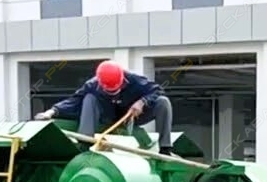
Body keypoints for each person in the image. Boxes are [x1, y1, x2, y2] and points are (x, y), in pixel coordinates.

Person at [35, 60, 175, 155]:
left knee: (163, 102)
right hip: (107, 117)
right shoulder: (92, 84)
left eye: (116, 90)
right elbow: (74, 101)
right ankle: (85, 143)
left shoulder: (134, 79)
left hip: (131, 116)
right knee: (89, 98)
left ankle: (165, 148)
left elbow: (157, 90)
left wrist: (142, 102)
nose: (113, 93)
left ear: (122, 80)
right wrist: (51, 112)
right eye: (109, 91)